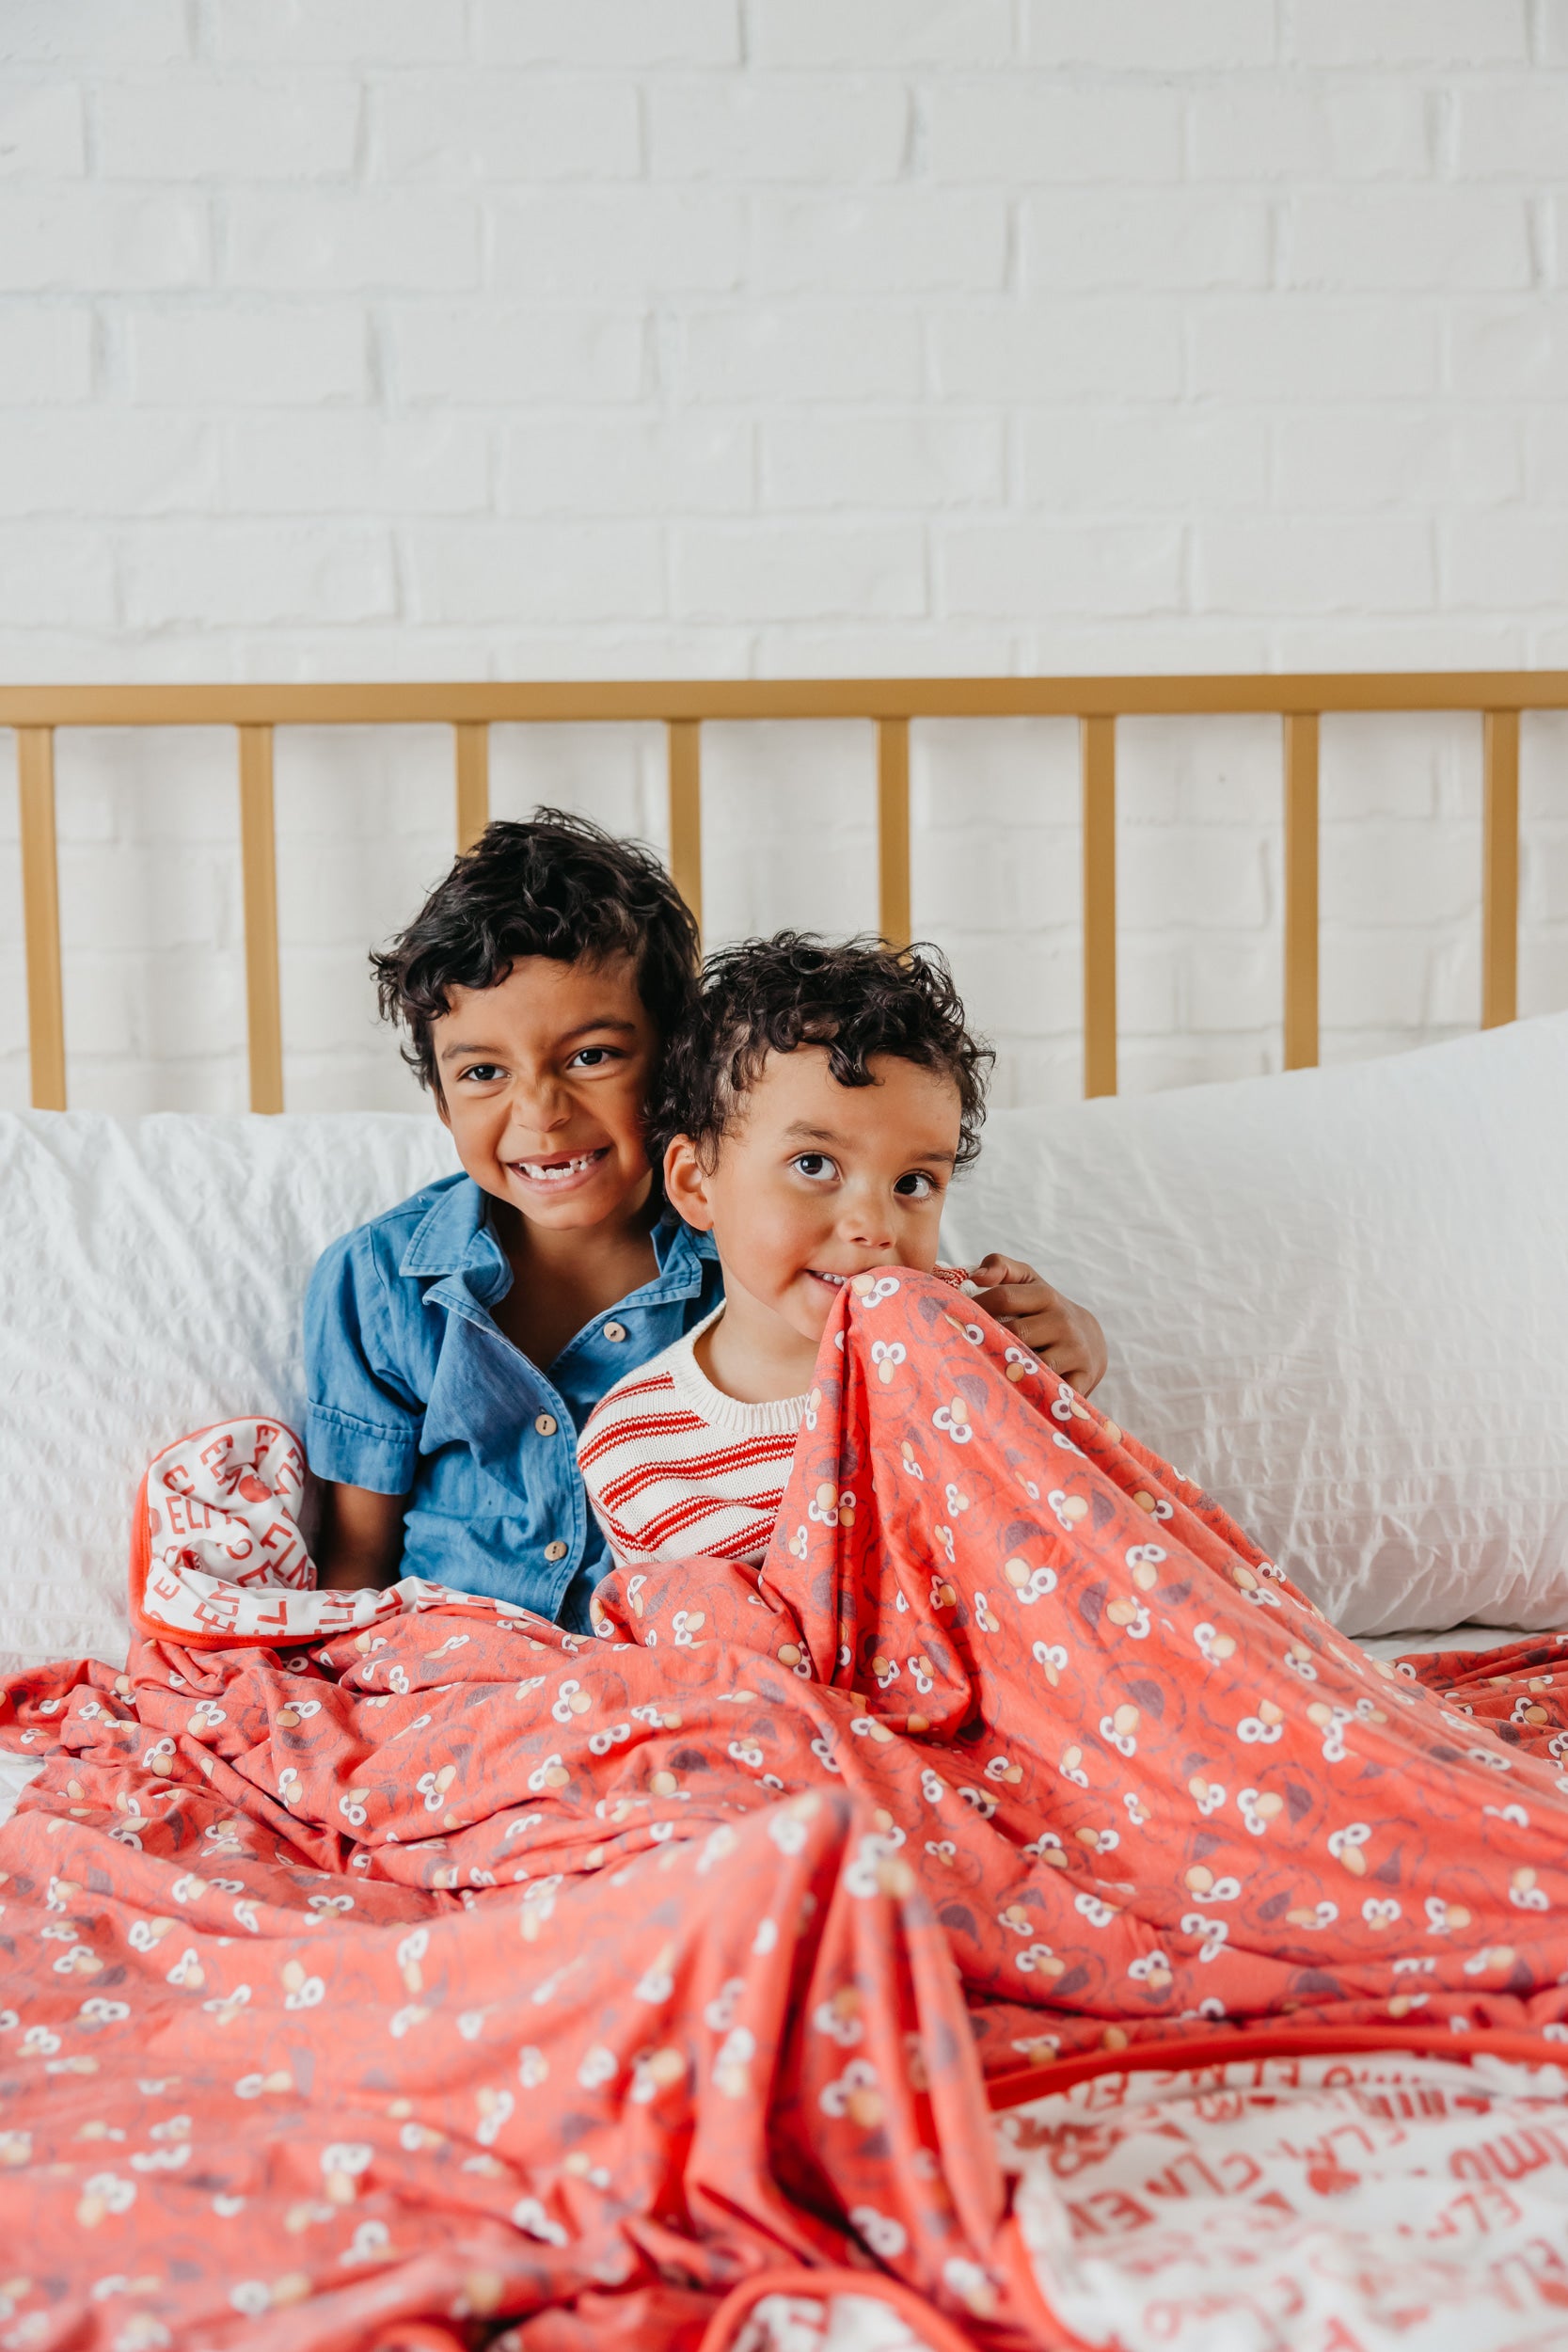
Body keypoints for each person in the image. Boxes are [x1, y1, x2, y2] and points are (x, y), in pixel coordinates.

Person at [305, 820, 1106, 1627]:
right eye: (483, 1071)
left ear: (675, 1064)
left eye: (591, 1056)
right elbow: (355, 1566)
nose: (541, 1112)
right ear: (442, 1100)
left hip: (697, 1672)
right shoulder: (377, 1279)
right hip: (453, 1665)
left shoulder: (771, 1250)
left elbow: (929, 1361)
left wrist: (1068, 1340)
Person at [579, 930, 990, 1571]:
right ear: (696, 1183)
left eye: (912, 1183)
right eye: (814, 1164)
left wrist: (1071, 1353)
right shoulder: (633, 1447)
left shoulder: (968, 1330)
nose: (873, 1226)